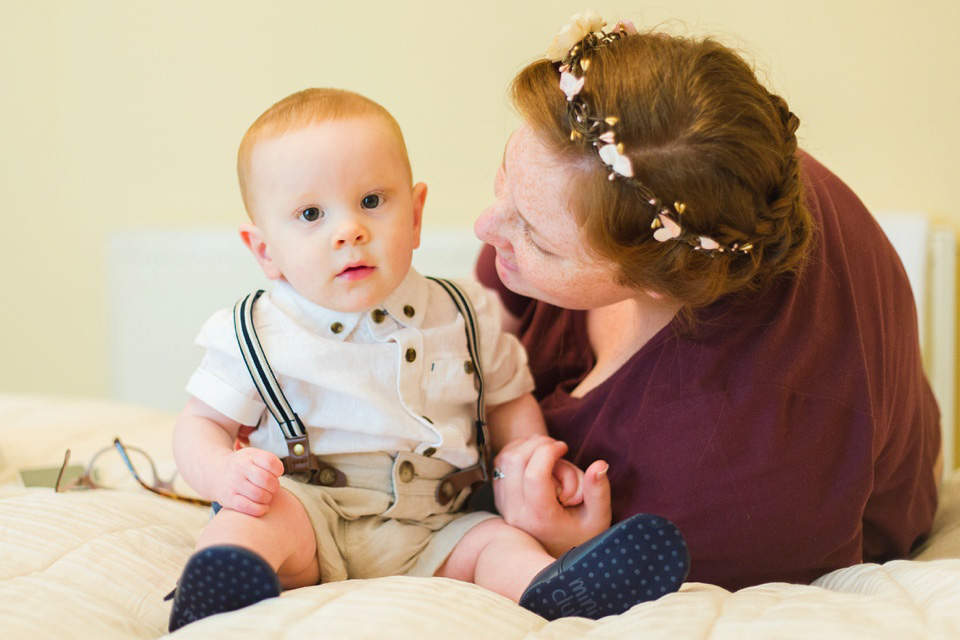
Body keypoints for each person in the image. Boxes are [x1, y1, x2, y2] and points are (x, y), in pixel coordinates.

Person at [167, 87, 688, 630]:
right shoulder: (255, 331)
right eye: (311, 214)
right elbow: (199, 425)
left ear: (415, 216)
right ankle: (221, 576)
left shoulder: (465, 311)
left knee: (496, 543)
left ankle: (555, 587)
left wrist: (528, 458)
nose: (350, 230)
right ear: (264, 251)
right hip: (310, 513)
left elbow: (509, 400)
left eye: (372, 201)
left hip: (437, 523)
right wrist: (222, 471)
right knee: (253, 519)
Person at [475, 12, 942, 592]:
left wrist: (570, 549)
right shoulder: (700, 158)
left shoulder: (730, 466)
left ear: (659, 280)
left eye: (538, 240)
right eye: (505, 175)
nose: (483, 226)